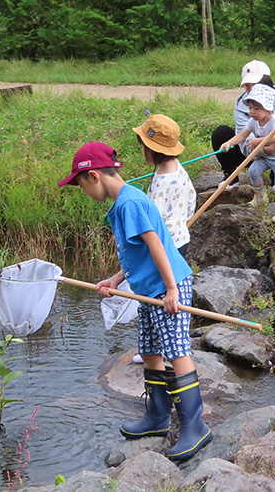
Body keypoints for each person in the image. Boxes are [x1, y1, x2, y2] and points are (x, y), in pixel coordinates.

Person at [57, 141, 211, 462]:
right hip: (147, 290)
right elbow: (136, 252)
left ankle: (194, 426)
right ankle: (156, 415)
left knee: (176, 350)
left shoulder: (130, 203)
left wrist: (170, 289)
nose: (82, 191)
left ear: (95, 177)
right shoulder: (125, 201)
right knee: (151, 350)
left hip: (166, 289)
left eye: (80, 184)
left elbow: (156, 243)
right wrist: (116, 279)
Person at [211, 60, 275, 188]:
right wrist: (268, 149)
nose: (251, 90)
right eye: (247, 85)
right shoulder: (241, 105)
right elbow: (244, 141)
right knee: (221, 133)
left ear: (268, 82)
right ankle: (230, 175)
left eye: (255, 84)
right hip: (250, 152)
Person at [219, 84, 275, 224]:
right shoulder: (254, 121)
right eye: (250, 108)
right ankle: (260, 197)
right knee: (253, 171)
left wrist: (256, 141)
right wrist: (229, 142)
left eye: (256, 108)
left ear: (268, 108)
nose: (252, 111)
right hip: (266, 155)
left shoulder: (274, 120)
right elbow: (242, 135)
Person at [132, 113, 197, 259]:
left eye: (143, 147)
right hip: (181, 239)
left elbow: (152, 220)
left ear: (152, 149)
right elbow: (191, 198)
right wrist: (181, 223)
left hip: (164, 247)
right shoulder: (178, 168)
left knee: (162, 281)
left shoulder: (162, 183)